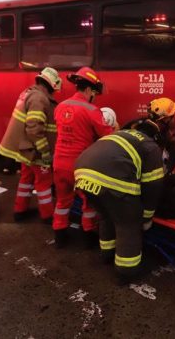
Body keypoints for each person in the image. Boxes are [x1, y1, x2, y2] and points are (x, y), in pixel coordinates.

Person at [74, 119, 164, 284]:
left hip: (81, 173)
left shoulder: (118, 135)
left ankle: (107, 255)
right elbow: (153, 186)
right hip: (112, 180)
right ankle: (126, 272)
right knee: (128, 224)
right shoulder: (151, 147)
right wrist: (146, 217)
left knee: (107, 215)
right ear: (155, 136)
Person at [52, 67, 115, 248]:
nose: (94, 96)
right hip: (80, 165)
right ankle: (88, 236)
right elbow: (107, 136)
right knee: (88, 202)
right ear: (88, 89)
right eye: (94, 92)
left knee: (63, 200)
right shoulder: (91, 110)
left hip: (59, 163)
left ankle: (59, 236)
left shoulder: (60, 106)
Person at [0, 67, 62, 222]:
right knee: (44, 183)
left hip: (26, 149)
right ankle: (47, 216)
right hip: (36, 151)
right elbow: (34, 128)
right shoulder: (39, 99)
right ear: (51, 85)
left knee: (26, 179)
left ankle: (20, 211)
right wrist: (45, 151)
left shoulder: (30, 93)